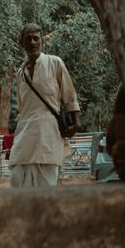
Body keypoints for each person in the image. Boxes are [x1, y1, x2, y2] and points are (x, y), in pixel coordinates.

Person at [9, 23, 81, 188]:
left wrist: (76, 123)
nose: (33, 42)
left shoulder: (55, 63)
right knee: (17, 179)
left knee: (47, 183)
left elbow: (69, 94)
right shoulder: (21, 73)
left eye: (36, 38)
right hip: (24, 132)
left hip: (48, 132)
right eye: (28, 39)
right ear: (22, 43)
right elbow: (23, 107)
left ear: (42, 42)